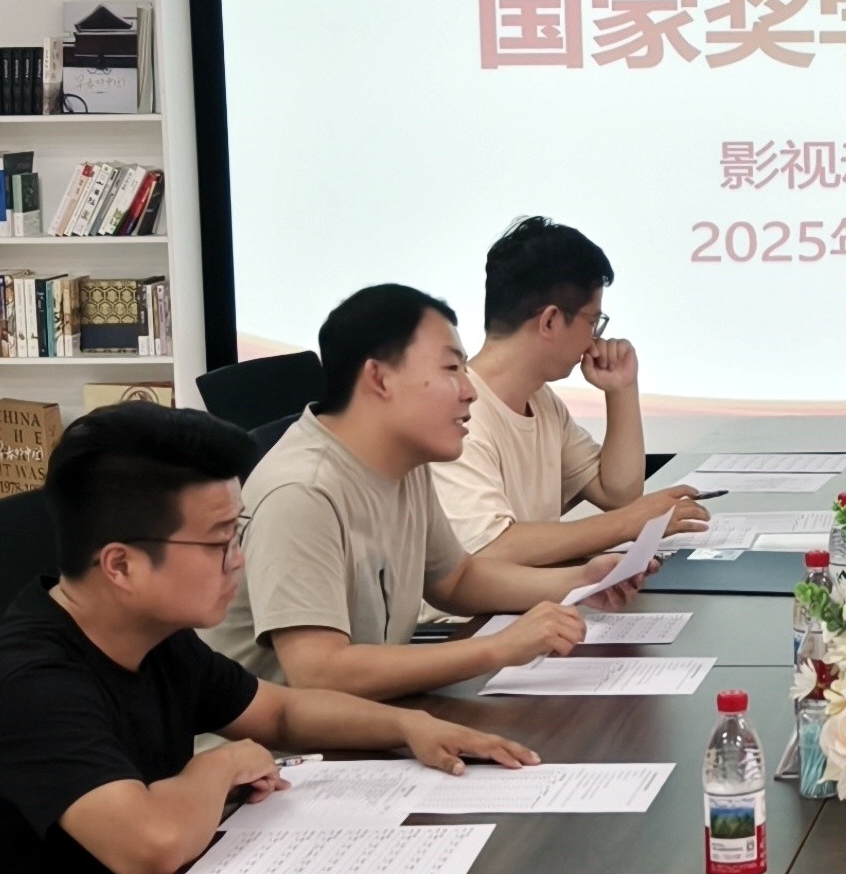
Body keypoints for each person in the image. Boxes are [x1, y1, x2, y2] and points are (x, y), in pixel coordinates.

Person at [0, 404, 537, 874]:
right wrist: (216, 767)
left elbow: (279, 713)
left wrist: (410, 726)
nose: (238, 561)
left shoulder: (152, 635)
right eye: (220, 541)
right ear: (121, 565)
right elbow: (152, 843)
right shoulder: (28, 684)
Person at [206, 284, 605, 695]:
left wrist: (583, 580)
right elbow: (319, 672)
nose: (469, 390)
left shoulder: (404, 462)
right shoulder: (302, 492)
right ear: (379, 379)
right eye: (451, 369)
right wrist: (497, 648)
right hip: (286, 735)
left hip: (366, 714)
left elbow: (455, 579)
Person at [433, 218, 710, 568]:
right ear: (550, 321)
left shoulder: (541, 400)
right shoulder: (459, 416)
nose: (594, 339)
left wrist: (621, 389)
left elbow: (618, 493)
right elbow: (490, 549)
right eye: (592, 322)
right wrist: (629, 524)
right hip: (490, 607)